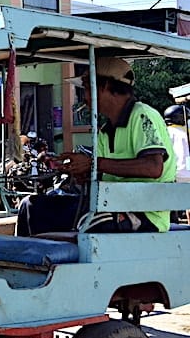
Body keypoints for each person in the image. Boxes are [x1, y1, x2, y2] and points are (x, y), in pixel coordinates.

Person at [17, 57, 176, 235]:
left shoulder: (142, 115)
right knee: (32, 206)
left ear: (105, 86)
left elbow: (153, 167)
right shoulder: (105, 131)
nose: (84, 97)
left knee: (91, 221)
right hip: (112, 205)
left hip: (144, 214)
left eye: (86, 88)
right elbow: (102, 175)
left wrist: (93, 164)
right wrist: (77, 171)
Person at [164, 104, 190, 222]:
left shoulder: (166, 131)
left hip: (173, 173)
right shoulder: (187, 131)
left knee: (170, 204)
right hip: (188, 173)